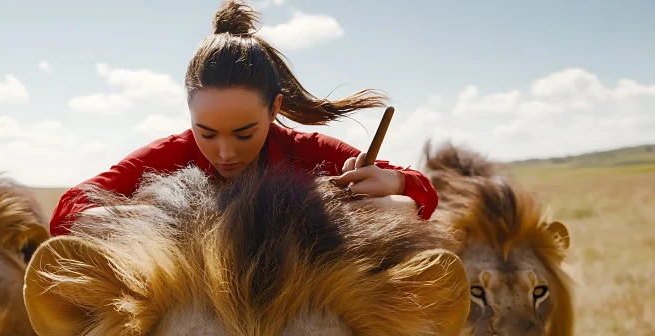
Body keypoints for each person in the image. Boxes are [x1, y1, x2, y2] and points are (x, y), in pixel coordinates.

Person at [49, 0, 438, 237]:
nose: (224, 152)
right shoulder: (170, 154)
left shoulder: (308, 151)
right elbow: (67, 214)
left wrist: (395, 180)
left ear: (274, 109)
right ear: (189, 114)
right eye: (206, 133)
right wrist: (161, 215)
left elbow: (424, 197)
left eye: (244, 133)